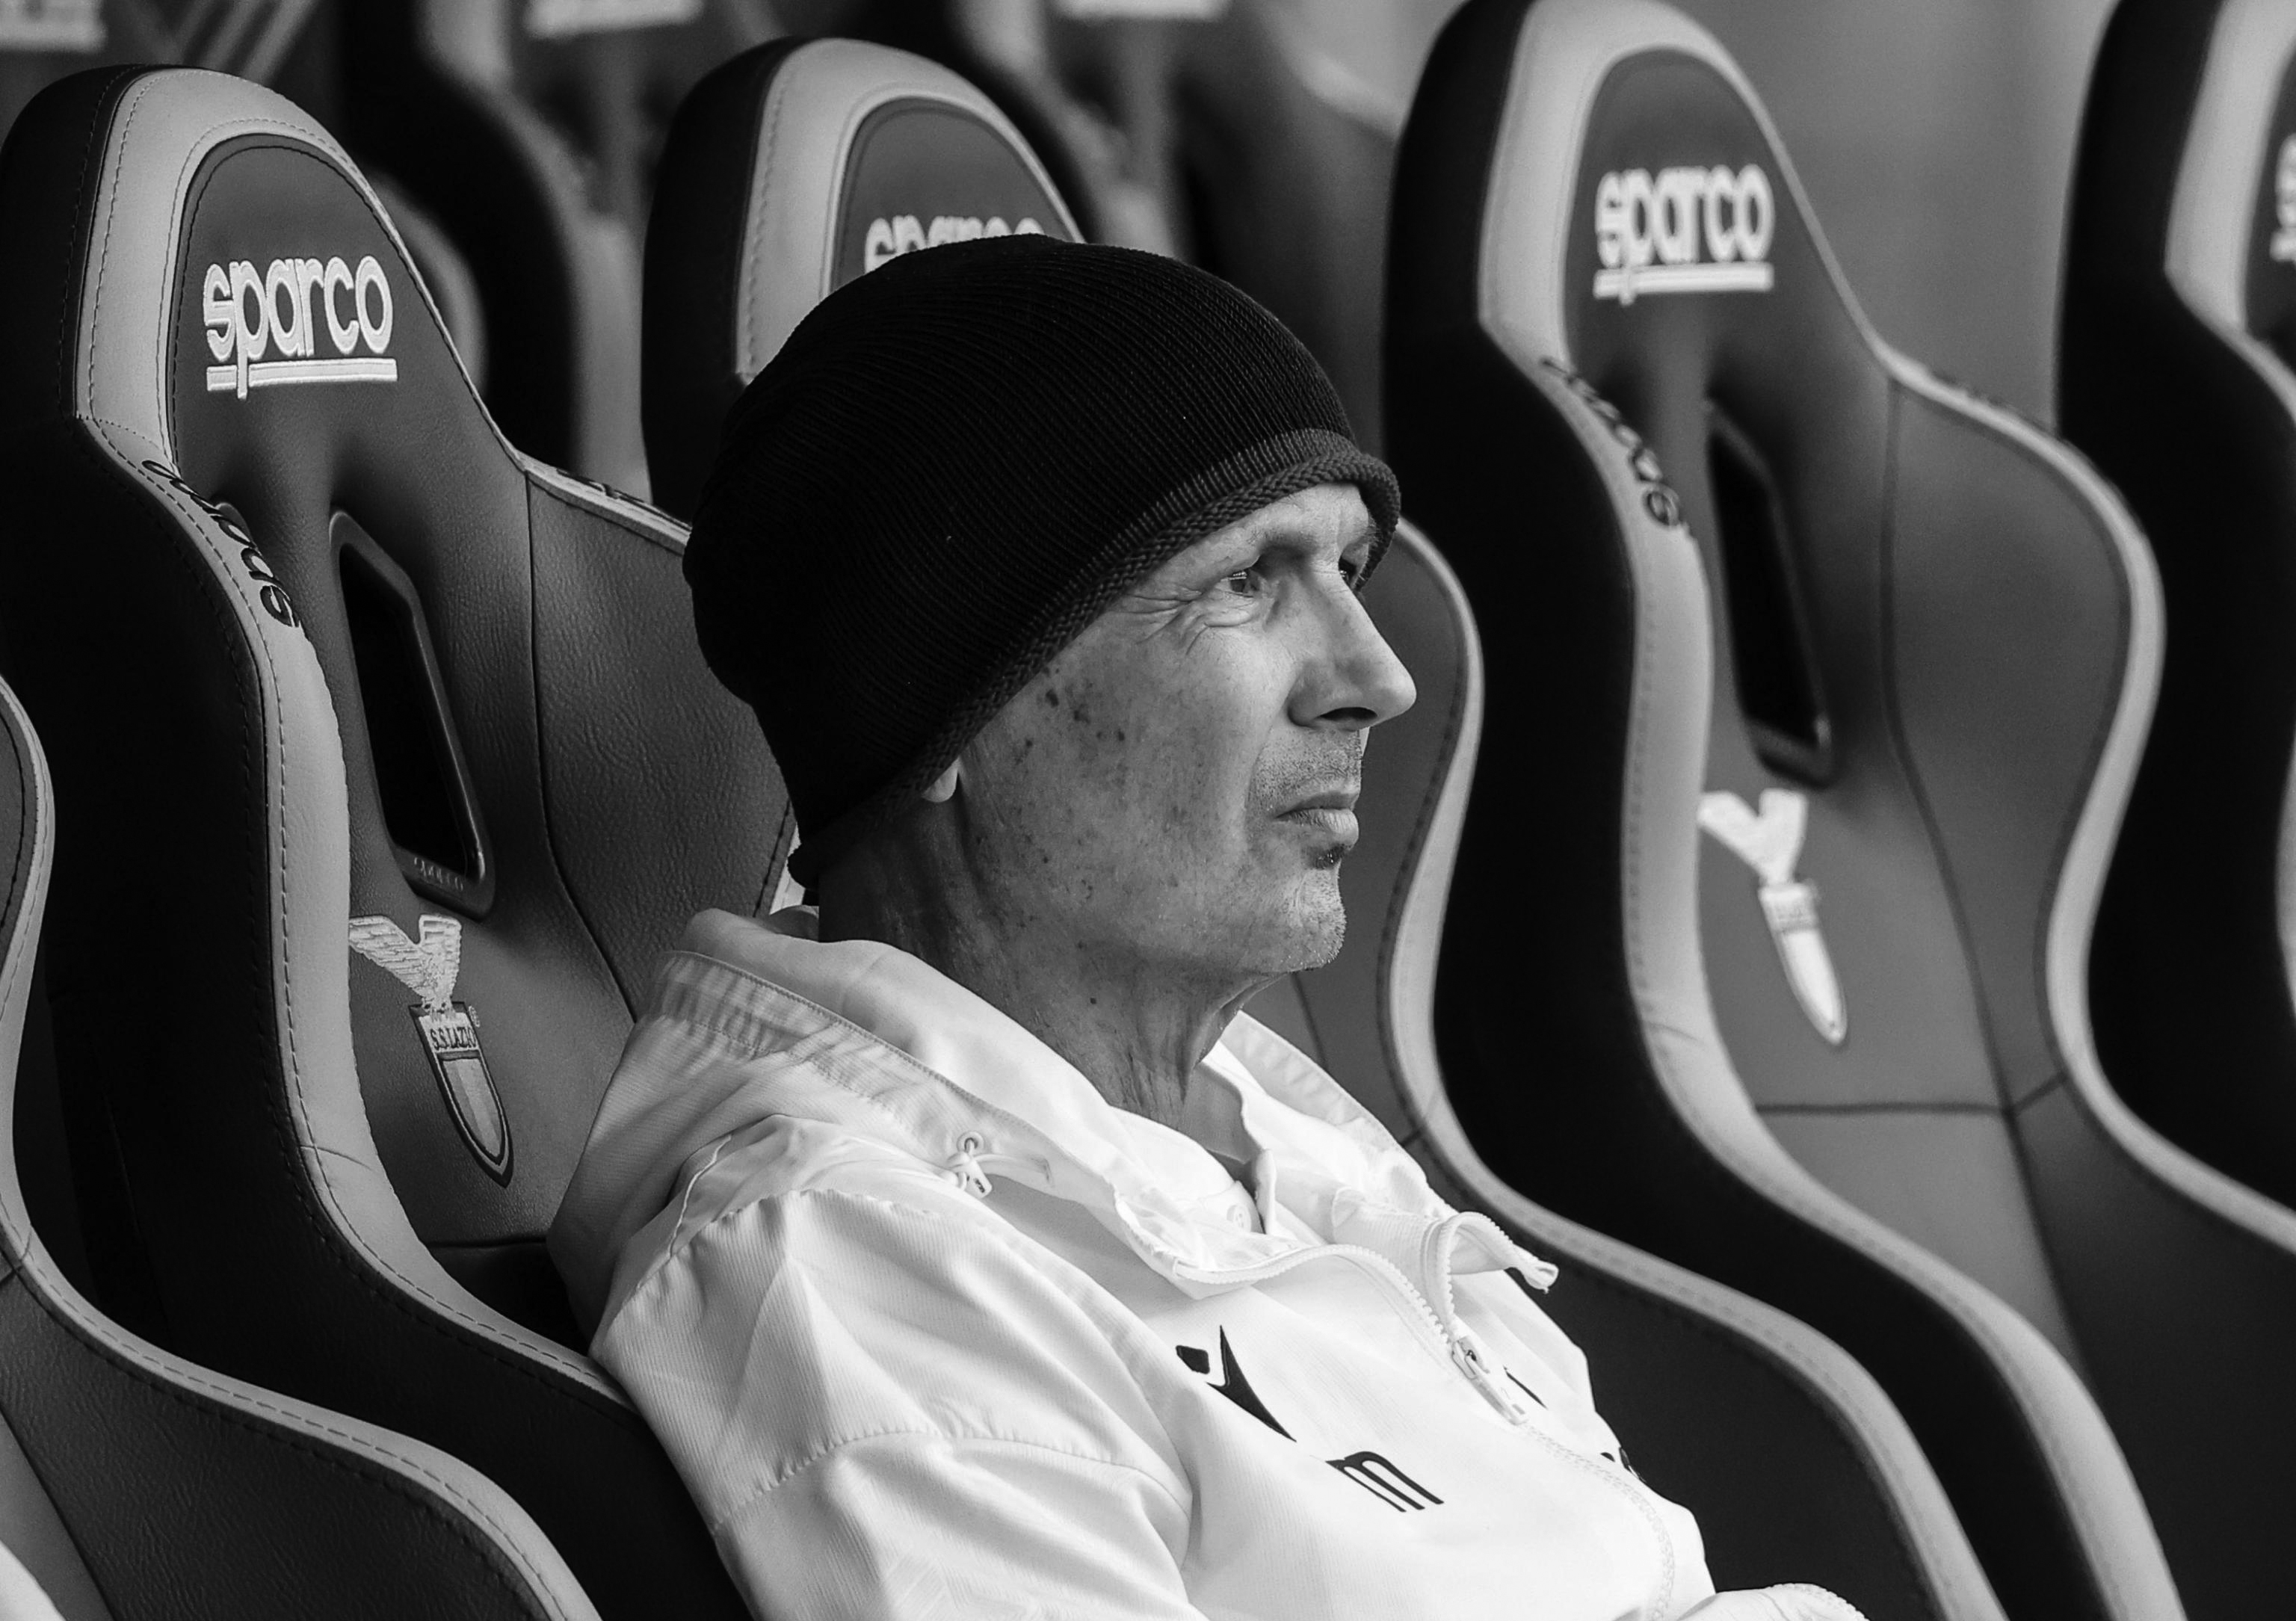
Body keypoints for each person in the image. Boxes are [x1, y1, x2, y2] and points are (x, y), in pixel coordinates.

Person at [549, 235, 1862, 1621]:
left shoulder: (1275, 1148)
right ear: (951, 716)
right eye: (1248, 580)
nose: (1377, 676)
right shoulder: (856, 1271)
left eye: (1352, 568)